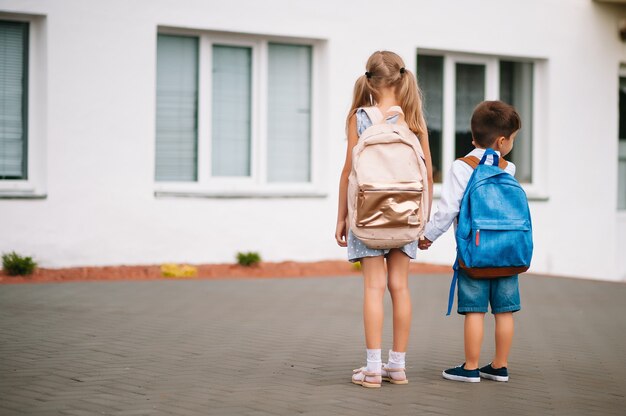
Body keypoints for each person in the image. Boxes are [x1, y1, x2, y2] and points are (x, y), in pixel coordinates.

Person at [335, 51, 433, 388]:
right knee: (400, 287)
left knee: (373, 288)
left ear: (370, 82)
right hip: (406, 216)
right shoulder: (414, 120)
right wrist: (425, 220)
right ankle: (398, 366)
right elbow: (428, 176)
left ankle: (373, 368)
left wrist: (341, 218)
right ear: (402, 79)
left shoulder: (359, 118)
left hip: (368, 215)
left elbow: (349, 172)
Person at [418, 100, 522, 383]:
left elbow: (449, 209)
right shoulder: (508, 169)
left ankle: (471, 367)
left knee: (475, 311)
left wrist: (428, 235)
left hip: (473, 253)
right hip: (509, 253)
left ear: (473, 135)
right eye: (512, 138)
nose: (512, 143)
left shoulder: (461, 167)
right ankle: (500, 366)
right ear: (501, 141)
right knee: (505, 312)